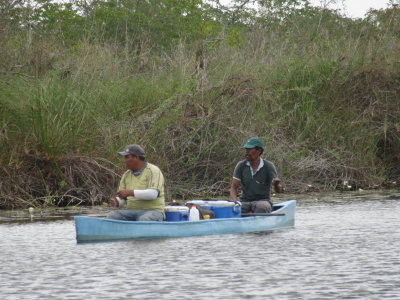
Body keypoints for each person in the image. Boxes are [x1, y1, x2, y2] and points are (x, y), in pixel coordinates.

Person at [107, 144, 165, 221]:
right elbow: (123, 199)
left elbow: (152, 194)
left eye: (127, 157)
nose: (125, 161)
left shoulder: (153, 170)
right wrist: (117, 202)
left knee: (144, 219)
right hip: (131, 211)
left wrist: (131, 192)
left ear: (136, 157)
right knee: (112, 216)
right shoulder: (126, 175)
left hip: (153, 211)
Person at [230, 137, 283, 214]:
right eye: (246, 149)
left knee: (261, 207)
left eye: (249, 149)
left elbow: (278, 191)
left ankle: (257, 221)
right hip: (245, 202)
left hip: (263, 201)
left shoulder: (268, 166)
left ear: (259, 151)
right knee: (233, 210)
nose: (247, 152)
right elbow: (234, 187)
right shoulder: (241, 165)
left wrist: (276, 184)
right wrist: (235, 202)